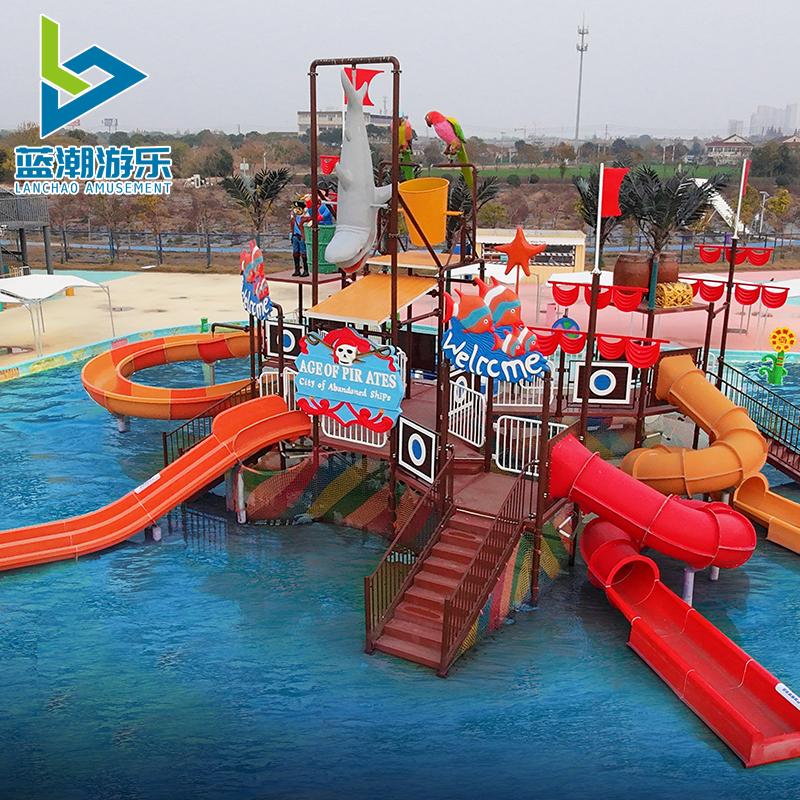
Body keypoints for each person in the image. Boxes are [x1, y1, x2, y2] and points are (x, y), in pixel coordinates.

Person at [289, 201, 309, 277]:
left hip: (301, 237)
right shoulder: (293, 219)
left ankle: (306, 270)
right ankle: (297, 270)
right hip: (295, 236)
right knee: (295, 253)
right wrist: (291, 235)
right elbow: (291, 228)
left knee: (303, 253)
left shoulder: (305, 218)